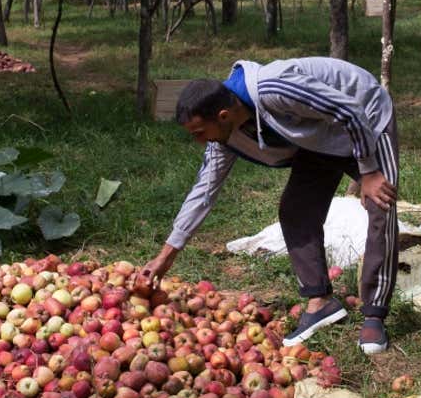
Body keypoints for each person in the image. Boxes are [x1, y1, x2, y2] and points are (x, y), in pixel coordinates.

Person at [136, 57, 400, 355]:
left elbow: (347, 110)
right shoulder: (225, 135)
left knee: (381, 204)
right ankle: (320, 301)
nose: (199, 142)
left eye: (199, 133)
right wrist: (167, 255)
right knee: (296, 210)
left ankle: (375, 313)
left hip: (365, 113)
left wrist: (369, 170)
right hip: (318, 133)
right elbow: (204, 190)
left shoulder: (276, 88)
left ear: (223, 115)